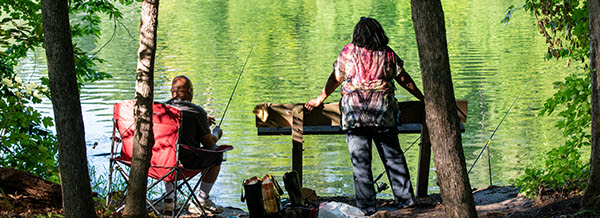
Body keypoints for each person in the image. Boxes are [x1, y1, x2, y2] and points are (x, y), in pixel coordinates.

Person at [305, 17, 424, 215]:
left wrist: (320, 99)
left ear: (357, 34)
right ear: (379, 33)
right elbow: (404, 79)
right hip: (383, 115)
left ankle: (367, 207)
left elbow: (336, 78)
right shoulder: (387, 54)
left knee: (360, 162)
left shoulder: (348, 52)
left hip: (354, 117)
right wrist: (421, 97)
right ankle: (405, 200)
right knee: (393, 157)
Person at [163, 75, 225, 214]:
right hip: (185, 163)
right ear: (190, 91)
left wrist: (202, 122)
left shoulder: (161, 110)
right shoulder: (196, 111)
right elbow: (208, 143)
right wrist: (216, 133)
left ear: (171, 91)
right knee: (216, 154)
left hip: (159, 164)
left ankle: (169, 200)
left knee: (168, 151)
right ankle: (201, 200)